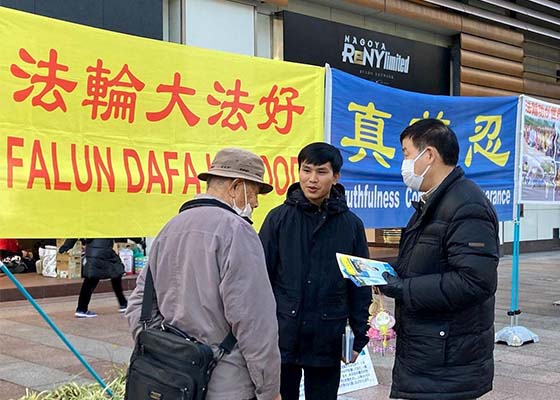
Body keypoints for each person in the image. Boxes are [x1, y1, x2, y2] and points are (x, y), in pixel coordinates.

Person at [125, 148, 281, 400]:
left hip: (173, 381)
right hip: (226, 385)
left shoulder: (170, 227)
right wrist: (270, 390)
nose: (255, 203)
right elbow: (255, 323)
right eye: (253, 193)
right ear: (236, 186)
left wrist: (170, 349)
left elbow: (138, 305)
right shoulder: (237, 231)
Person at [378, 119, 499, 400]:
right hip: (430, 352)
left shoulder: (466, 204)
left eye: (406, 154)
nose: (404, 163)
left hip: (447, 361)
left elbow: (474, 281)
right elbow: (427, 262)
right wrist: (386, 273)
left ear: (428, 155)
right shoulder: (434, 201)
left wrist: (402, 288)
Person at [259, 142, 371, 400]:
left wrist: (359, 337)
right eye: (306, 170)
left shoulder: (351, 225)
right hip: (283, 333)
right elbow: (261, 279)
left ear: (336, 177)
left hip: (327, 337)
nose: (312, 179)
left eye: (321, 172)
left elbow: (360, 284)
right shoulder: (278, 219)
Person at [59, 238, 128, 318]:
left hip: (94, 252)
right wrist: (138, 239)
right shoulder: (107, 225)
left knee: (113, 274)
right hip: (103, 252)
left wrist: (66, 246)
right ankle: (82, 309)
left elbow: (77, 232)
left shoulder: (89, 226)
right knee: (95, 279)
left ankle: (123, 303)